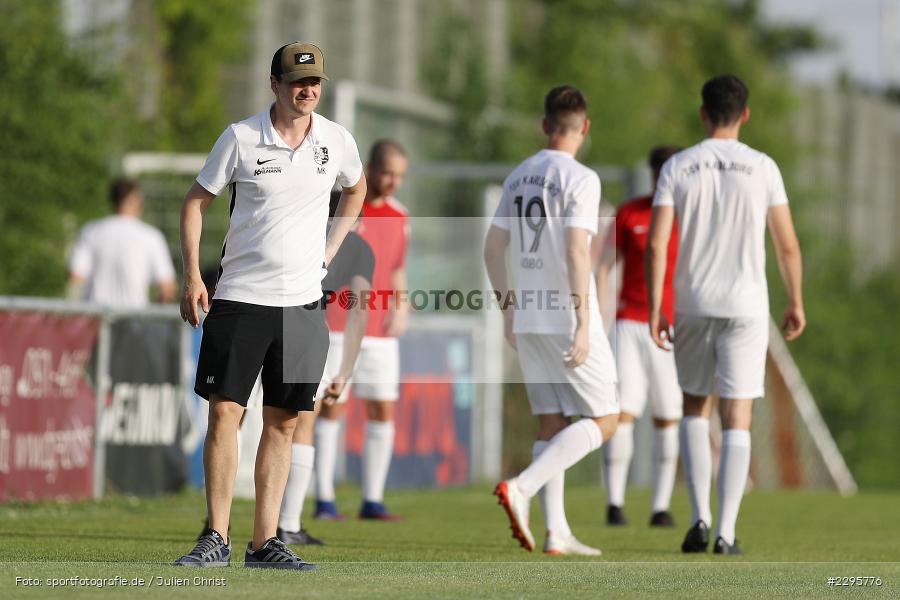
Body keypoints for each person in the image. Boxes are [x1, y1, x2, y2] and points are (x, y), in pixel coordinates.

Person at [174, 41, 366, 570]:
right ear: (275, 84)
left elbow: (356, 189)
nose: (308, 90)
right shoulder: (240, 137)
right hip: (240, 297)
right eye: (297, 81)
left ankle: (264, 544)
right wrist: (192, 275)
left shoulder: (336, 140)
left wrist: (329, 252)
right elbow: (195, 202)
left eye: (315, 82)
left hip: (303, 306)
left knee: (284, 422)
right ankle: (215, 537)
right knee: (225, 414)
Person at [647, 74, 805, 555]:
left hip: (693, 301)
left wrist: (655, 306)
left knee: (695, 407)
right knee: (738, 414)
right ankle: (727, 533)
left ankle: (698, 518)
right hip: (746, 304)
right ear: (745, 114)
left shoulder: (678, 165)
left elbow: (656, 243)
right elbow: (786, 244)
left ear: (703, 113)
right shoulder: (762, 167)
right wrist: (795, 300)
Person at [485, 85, 619, 555]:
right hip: (566, 314)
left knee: (552, 421)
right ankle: (522, 487)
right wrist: (584, 320)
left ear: (545, 125)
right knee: (607, 418)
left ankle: (556, 532)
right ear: (585, 127)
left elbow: (492, 249)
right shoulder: (582, 178)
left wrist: (508, 311)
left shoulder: (518, 175)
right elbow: (577, 251)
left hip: (529, 314)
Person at [315, 140, 410, 521]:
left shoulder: (401, 215)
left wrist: (402, 305)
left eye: (399, 175)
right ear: (370, 168)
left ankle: (372, 499)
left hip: (381, 331)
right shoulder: (343, 206)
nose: (393, 181)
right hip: (341, 324)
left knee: (383, 408)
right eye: (387, 173)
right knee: (332, 407)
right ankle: (324, 498)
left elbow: (397, 267)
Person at [277, 191, 374, 544]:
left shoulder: (293, 232)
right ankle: (287, 525)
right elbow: (359, 311)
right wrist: (345, 371)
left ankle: (217, 525)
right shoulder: (359, 248)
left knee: (239, 419)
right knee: (300, 424)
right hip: (308, 332)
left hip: (264, 322)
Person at [595, 145, 682, 528]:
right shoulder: (630, 213)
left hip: (673, 327)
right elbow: (603, 267)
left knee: (669, 415)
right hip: (630, 322)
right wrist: (600, 319)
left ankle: (660, 506)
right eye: (659, 172)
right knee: (623, 412)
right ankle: (614, 503)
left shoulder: (689, 216)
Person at [68, 179, 176, 307]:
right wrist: (154, 315)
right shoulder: (151, 236)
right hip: (134, 314)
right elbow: (167, 288)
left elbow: (76, 276)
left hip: (96, 313)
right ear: (136, 201)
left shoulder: (90, 231)